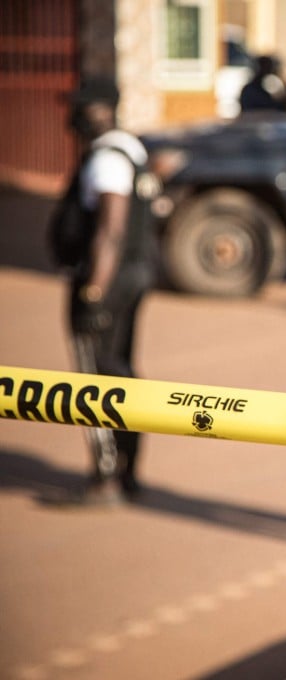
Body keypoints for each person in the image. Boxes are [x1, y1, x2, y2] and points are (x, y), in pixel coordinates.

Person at [53, 75, 157, 505]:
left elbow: (110, 231)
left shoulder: (108, 158)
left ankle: (108, 478)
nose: (73, 118)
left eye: (81, 108)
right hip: (132, 275)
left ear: (100, 110)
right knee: (121, 371)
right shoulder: (130, 149)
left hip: (109, 280)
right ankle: (128, 473)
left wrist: (93, 293)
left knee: (96, 382)